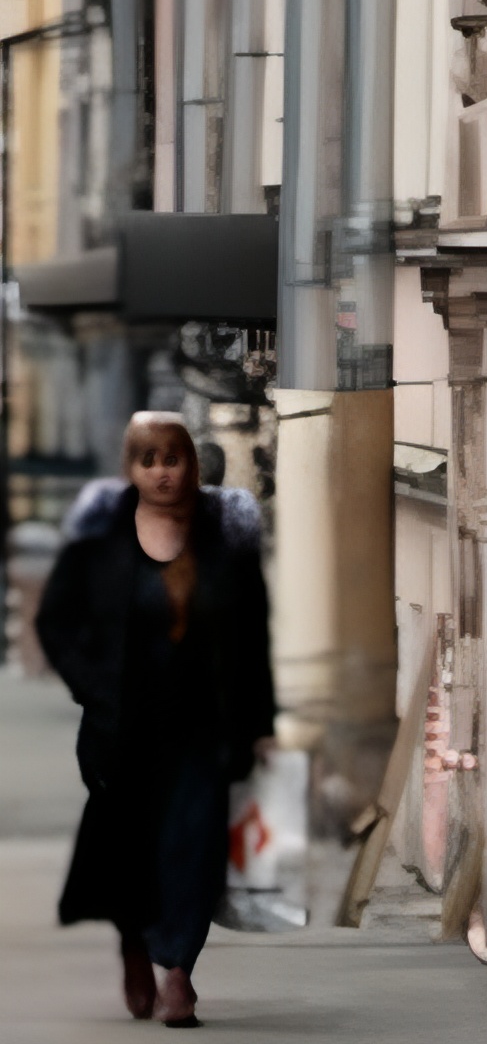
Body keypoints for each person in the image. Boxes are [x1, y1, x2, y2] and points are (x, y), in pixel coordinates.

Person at [37, 412, 275, 1026]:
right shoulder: (102, 535)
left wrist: (261, 720)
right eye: (149, 460)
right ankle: (135, 943)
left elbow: (252, 634)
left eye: (173, 458)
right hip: (121, 730)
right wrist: (93, 687)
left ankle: (179, 975)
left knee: (195, 848)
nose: (162, 471)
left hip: (204, 728)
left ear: (190, 463)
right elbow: (57, 621)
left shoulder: (225, 532)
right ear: (132, 468)